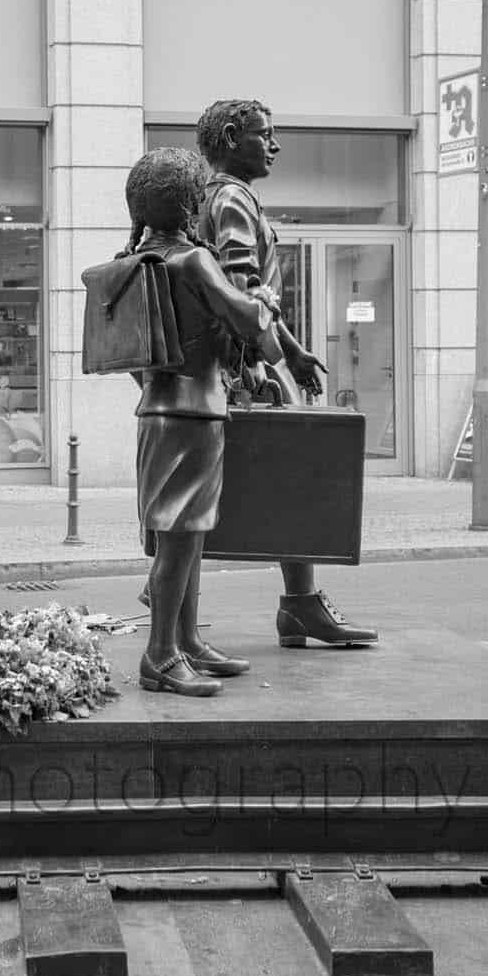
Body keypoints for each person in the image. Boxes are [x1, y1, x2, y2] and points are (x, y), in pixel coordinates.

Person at [195, 98, 379, 649]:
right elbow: (243, 289)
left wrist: (288, 352)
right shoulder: (231, 198)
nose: (274, 145)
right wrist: (280, 357)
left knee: (272, 482)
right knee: (285, 477)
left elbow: (248, 295)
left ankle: (298, 604)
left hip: (243, 365)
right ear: (232, 136)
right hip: (238, 372)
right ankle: (180, 610)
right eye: (264, 135)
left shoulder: (225, 196)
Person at [124, 148, 272, 697]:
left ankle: (185, 641)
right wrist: (263, 297)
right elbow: (246, 318)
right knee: (181, 541)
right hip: (195, 414)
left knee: (183, 537)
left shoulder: (141, 260)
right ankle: (160, 655)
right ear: (190, 202)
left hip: (158, 413)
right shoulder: (192, 260)